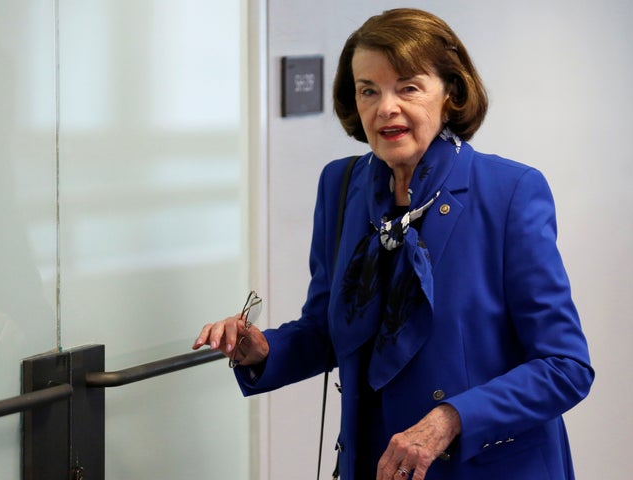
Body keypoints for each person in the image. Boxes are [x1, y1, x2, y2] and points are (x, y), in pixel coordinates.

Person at [193, 8, 593, 480]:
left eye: (408, 87)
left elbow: (565, 366)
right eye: (368, 90)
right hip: (375, 464)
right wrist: (262, 349)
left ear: (451, 92)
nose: (386, 108)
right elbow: (329, 328)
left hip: (482, 467)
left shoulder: (510, 192)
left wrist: (451, 419)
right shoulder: (341, 185)